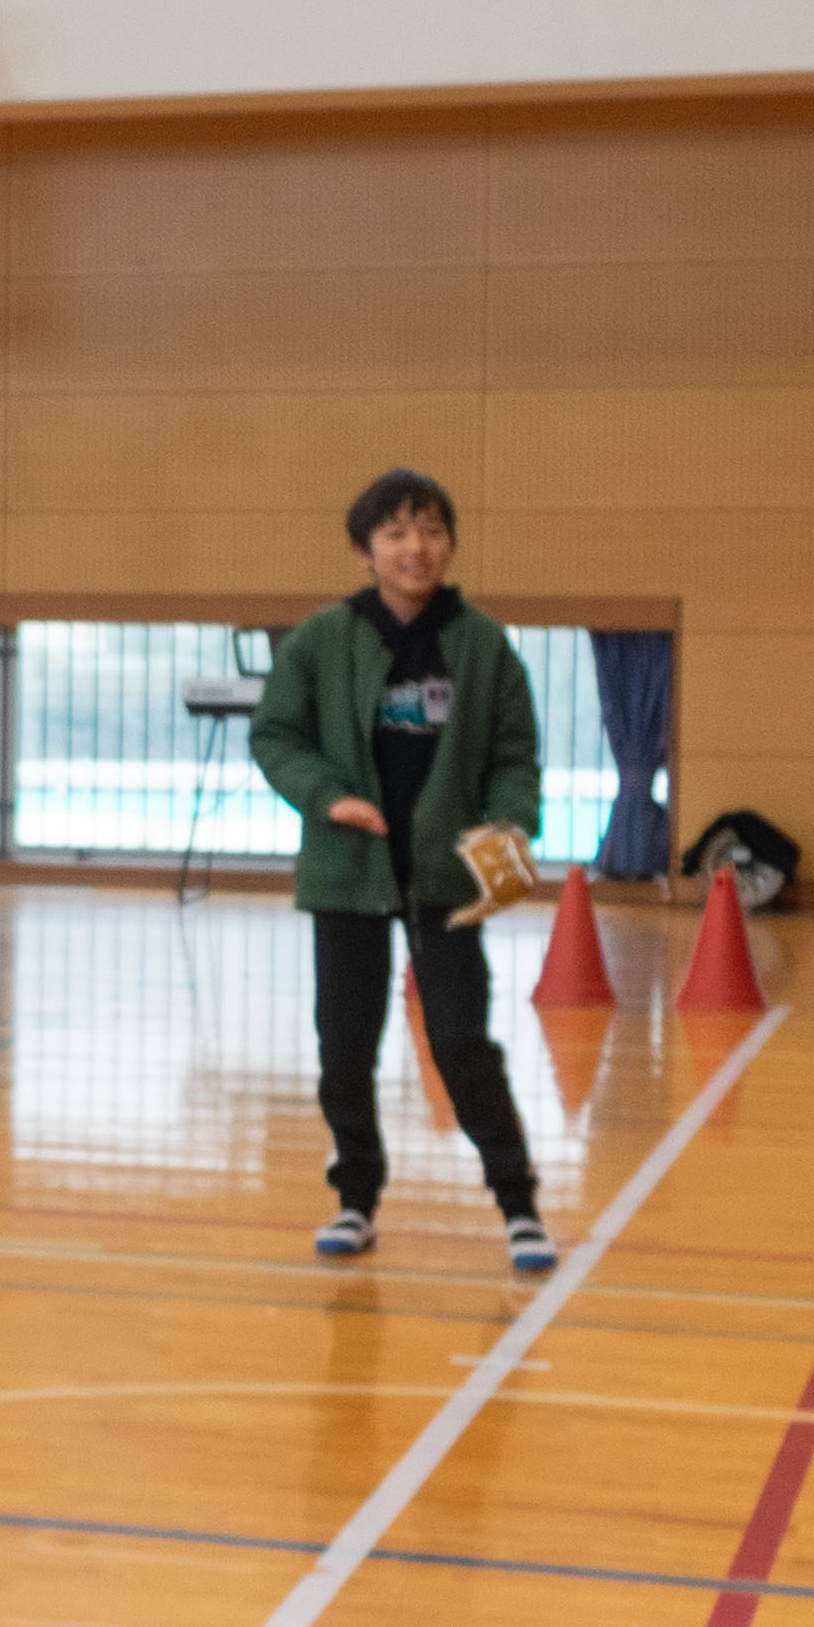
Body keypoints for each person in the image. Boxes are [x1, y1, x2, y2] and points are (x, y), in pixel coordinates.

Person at [252, 470, 555, 1272]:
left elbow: (513, 756)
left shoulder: (483, 645)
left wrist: (506, 834)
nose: (413, 547)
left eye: (428, 530)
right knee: (344, 1046)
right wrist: (328, 797)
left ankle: (518, 1203)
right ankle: (354, 1198)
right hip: (347, 873)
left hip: (444, 881)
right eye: (393, 533)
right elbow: (276, 735)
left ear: (449, 542)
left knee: (460, 1041)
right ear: (363, 551)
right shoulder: (321, 638)